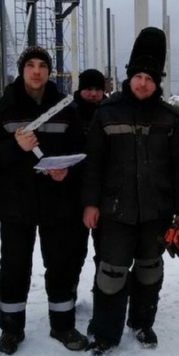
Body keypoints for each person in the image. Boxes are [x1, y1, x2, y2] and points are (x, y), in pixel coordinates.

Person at [81, 27, 179, 356]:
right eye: (138, 76)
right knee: (111, 273)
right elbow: (93, 164)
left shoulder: (169, 119)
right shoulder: (107, 113)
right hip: (115, 211)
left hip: (156, 212)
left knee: (149, 270)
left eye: (150, 78)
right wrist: (90, 203)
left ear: (157, 83)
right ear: (129, 78)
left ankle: (142, 322)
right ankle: (104, 333)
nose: (143, 83)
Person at [0, 45, 88, 355]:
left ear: (49, 71)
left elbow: (81, 150)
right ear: (22, 70)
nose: (37, 71)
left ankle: (63, 325)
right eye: (30, 65)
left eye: (42, 65)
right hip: (16, 203)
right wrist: (15, 146)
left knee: (61, 264)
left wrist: (66, 171)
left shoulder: (65, 108)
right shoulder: (3, 109)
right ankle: (11, 330)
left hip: (57, 201)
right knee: (14, 267)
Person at [69, 68, 107, 295]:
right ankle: (68, 293)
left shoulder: (110, 112)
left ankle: (102, 293)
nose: (93, 94)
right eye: (88, 89)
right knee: (72, 252)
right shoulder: (69, 112)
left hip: (105, 194)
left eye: (98, 90)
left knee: (105, 251)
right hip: (72, 193)